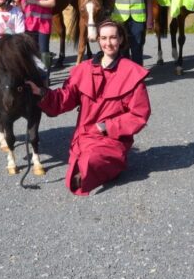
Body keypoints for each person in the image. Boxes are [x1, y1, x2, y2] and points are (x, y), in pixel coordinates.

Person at [27, 20, 151, 196]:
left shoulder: (132, 72)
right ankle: (90, 171)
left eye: (113, 37)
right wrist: (40, 92)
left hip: (112, 140)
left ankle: (94, 171)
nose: (108, 43)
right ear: (98, 40)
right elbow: (64, 99)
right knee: (82, 160)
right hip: (83, 138)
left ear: (121, 39)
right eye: (104, 38)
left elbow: (139, 114)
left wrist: (108, 126)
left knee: (92, 159)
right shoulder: (83, 70)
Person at [15, 0, 55, 71]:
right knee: (31, 51)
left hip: (44, 24)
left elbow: (52, 3)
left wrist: (35, 2)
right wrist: (15, 4)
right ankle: (34, 74)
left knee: (44, 52)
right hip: (29, 23)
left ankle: (46, 76)